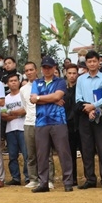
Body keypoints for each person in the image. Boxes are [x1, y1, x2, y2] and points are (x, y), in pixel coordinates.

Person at [30, 56, 73, 192]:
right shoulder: (37, 82)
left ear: (55, 68)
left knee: (63, 152)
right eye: (44, 67)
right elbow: (32, 99)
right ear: (41, 68)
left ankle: (68, 182)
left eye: (49, 67)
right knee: (42, 154)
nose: (47, 70)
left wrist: (40, 98)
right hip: (41, 121)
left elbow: (57, 96)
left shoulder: (60, 81)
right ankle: (43, 183)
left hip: (58, 121)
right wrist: (51, 99)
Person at [75, 50, 102, 189]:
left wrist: (94, 107)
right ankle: (90, 179)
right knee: (87, 149)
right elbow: (78, 98)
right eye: (89, 61)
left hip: (101, 116)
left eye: (94, 61)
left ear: (99, 62)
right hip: (85, 117)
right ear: (86, 63)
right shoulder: (81, 79)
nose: (92, 64)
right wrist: (88, 110)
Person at [0, 73, 28, 186]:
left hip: (23, 128)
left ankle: (28, 177)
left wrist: (11, 113)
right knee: (12, 156)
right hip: (10, 130)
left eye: (15, 80)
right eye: (11, 81)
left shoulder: (23, 95)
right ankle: (15, 177)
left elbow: (25, 110)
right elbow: (3, 115)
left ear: (19, 82)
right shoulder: (5, 98)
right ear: (7, 83)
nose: (13, 82)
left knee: (27, 155)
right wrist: (17, 114)